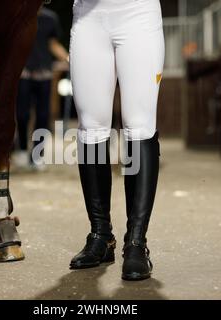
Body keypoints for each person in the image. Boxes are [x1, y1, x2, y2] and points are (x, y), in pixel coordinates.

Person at [69, 0, 165, 281]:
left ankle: (136, 242)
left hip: (137, 12)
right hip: (88, 16)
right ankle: (101, 235)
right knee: (91, 126)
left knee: (139, 125)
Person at [14, 5, 69, 171]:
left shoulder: (50, 18)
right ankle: (23, 148)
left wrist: (68, 58)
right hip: (24, 72)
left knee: (43, 116)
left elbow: (53, 44)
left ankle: (37, 155)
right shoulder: (19, 14)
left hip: (44, 73)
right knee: (22, 114)